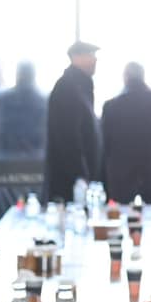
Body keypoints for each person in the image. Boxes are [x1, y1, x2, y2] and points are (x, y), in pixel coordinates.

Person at [101, 61, 151, 205]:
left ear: (125, 77)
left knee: (119, 216)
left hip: (120, 179)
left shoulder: (112, 106)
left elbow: (103, 143)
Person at [45, 40, 102, 200]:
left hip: (82, 178)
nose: (95, 59)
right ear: (76, 57)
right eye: (90, 55)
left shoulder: (81, 86)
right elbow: (68, 136)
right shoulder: (67, 88)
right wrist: (80, 174)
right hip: (71, 182)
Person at [0, 59, 48, 159]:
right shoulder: (44, 100)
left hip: (3, 162)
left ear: (17, 74)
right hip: (36, 163)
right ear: (34, 75)